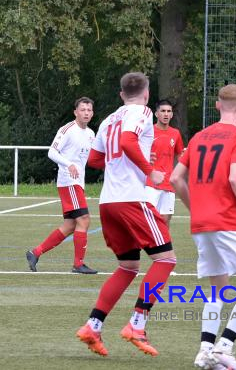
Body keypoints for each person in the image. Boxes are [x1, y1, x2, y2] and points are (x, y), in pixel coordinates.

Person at [76, 72, 176, 357]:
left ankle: (93, 326)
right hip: (132, 199)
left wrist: (133, 162)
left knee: (128, 267)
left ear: (121, 94)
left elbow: (95, 159)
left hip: (109, 202)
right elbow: (129, 142)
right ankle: (137, 324)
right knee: (166, 260)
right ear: (146, 94)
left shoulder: (109, 119)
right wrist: (148, 170)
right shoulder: (142, 111)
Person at [170, 84, 236, 370]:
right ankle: (224, 347)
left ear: (216, 105)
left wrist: (196, 208)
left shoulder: (199, 137)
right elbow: (235, 178)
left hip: (201, 224)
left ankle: (205, 351)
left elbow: (177, 179)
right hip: (227, 221)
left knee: (217, 289)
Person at [26, 97, 98, 274]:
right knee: (84, 220)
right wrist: (69, 164)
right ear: (75, 112)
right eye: (83, 109)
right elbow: (52, 152)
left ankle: (35, 253)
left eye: (89, 110)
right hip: (68, 182)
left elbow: (93, 158)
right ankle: (78, 264)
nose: (86, 113)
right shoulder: (67, 130)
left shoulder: (90, 134)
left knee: (70, 226)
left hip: (77, 184)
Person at [145, 99, 184, 227]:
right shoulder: (148, 132)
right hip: (150, 183)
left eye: (169, 111)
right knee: (149, 220)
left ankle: (164, 247)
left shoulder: (175, 134)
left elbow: (180, 155)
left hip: (168, 183)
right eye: (163, 111)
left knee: (165, 221)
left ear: (172, 114)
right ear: (156, 114)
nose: (166, 114)